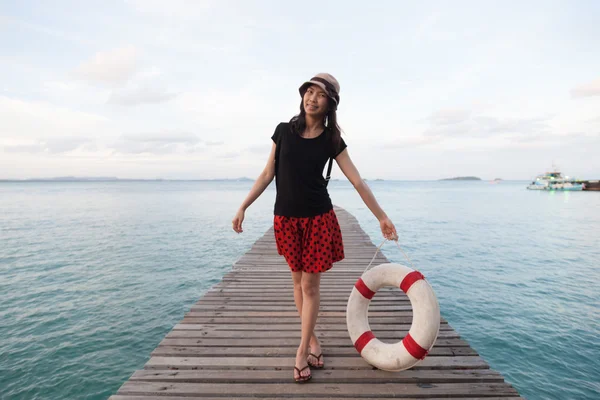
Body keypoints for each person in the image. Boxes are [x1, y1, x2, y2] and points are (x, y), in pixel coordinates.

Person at [231, 73, 398, 383]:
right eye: (309, 91)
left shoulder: (332, 140)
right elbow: (268, 173)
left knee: (310, 286)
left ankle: (300, 350)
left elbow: (357, 180)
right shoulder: (283, 131)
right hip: (285, 219)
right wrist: (243, 206)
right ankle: (312, 340)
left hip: (318, 220)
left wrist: (382, 217)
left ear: (330, 103)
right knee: (297, 283)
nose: (312, 98)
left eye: (320, 94)